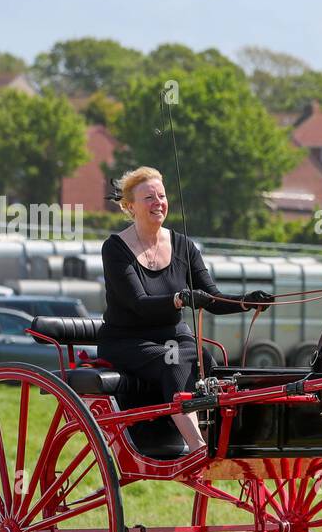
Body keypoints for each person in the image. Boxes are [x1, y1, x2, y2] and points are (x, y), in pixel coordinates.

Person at [98, 166, 271, 453]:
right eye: (149, 198)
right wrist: (179, 299)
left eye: (162, 196)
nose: (158, 203)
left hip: (175, 340)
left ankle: (227, 442)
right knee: (174, 361)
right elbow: (139, 304)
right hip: (128, 341)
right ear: (130, 206)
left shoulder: (183, 245)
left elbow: (211, 298)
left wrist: (246, 301)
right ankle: (198, 448)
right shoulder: (115, 248)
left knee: (210, 364)